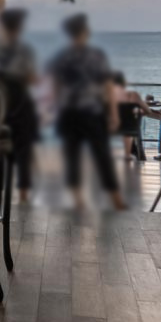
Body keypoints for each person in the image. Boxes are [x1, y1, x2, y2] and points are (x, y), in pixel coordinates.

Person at [45, 13, 121, 211]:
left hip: (68, 112)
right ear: (85, 32)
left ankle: (78, 198)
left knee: (72, 155)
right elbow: (108, 86)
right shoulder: (96, 55)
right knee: (102, 155)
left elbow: (55, 86)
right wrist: (113, 114)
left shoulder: (62, 57)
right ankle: (114, 197)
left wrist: (54, 109)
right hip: (92, 111)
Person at [0, 8, 41, 200]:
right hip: (20, 103)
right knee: (23, 147)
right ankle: (23, 191)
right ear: (19, 28)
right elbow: (32, 79)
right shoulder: (24, 51)